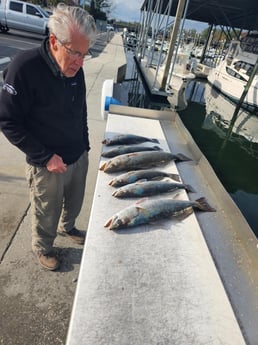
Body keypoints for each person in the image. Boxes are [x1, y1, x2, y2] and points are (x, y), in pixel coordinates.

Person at [0, 3, 96, 271]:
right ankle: (43, 247)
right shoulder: (24, 67)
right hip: (47, 161)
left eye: (85, 55)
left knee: (74, 202)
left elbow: (81, 110)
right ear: (54, 41)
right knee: (46, 210)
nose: (80, 61)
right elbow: (7, 120)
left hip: (78, 154)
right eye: (75, 53)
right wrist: (45, 157)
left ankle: (69, 227)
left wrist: (85, 145)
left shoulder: (77, 69)